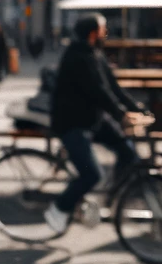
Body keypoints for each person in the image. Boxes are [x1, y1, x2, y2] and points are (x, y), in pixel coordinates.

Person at [44, 13, 152, 233]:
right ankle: (58, 209)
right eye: (103, 29)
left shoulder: (95, 53)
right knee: (92, 174)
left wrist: (134, 107)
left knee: (127, 151)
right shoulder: (77, 56)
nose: (106, 33)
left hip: (93, 119)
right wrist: (121, 113)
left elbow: (113, 87)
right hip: (72, 123)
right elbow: (98, 91)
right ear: (93, 33)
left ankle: (112, 198)